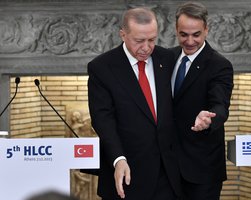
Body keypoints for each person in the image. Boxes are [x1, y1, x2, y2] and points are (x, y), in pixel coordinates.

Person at [87, 7, 181, 200]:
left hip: (167, 176)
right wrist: (118, 159)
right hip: (126, 174)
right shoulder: (102, 67)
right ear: (123, 34)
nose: (146, 47)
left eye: (152, 40)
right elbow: (102, 120)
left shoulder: (168, 59)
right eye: (139, 41)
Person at [171, 2, 234, 200]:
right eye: (183, 34)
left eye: (196, 34)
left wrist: (209, 119)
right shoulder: (166, 58)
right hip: (167, 167)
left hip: (201, 170)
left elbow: (220, 106)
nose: (189, 41)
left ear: (207, 30)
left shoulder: (219, 65)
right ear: (176, 30)